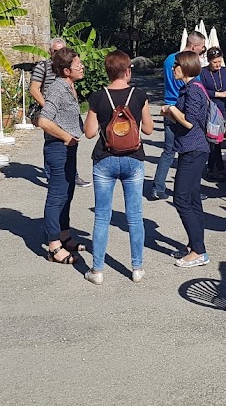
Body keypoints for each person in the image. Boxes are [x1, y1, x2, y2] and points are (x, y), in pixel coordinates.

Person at [81, 50, 154, 285]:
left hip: (105, 158)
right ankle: (137, 268)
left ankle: (97, 270)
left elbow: (90, 132)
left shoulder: (98, 97)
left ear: (108, 72)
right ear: (127, 71)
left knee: (102, 216)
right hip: (134, 158)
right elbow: (149, 130)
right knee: (134, 216)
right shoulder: (139, 94)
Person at [35, 47, 88, 265]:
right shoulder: (58, 88)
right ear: (66, 70)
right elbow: (43, 120)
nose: (82, 67)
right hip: (58, 148)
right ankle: (53, 245)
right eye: (78, 65)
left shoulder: (69, 87)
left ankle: (64, 235)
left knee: (67, 193)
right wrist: (66, 136)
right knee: (57, 195)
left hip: (69, 148)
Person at [165, 51, 211, 268]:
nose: (173, 69)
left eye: (176, 65)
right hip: (191, 148)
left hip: (194, 149)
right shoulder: (188, 88)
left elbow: (190, 122)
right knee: (193, 199)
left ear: (185, 67)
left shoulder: (193, 90)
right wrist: (172, 113)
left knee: (181, 198)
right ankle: (194, 245)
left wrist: (172, 108)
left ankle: (199, 251)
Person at [152, 31, 206, 200]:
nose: (202, 52)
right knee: (190, 149)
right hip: (180, 107)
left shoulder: (169, 59)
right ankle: (192, 190)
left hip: (169, 105)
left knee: (168, 151)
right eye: (202, 48)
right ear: (195, 46)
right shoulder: (189, 65)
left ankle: (158, 187)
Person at [31, 37, 91, 187]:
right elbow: (34, 89)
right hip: (50, 108)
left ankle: (72, 175)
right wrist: (49, 107)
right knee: (52, 141)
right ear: (50, 51)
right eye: (56, 51)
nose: (59, 53)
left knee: (71, 142)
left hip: (63, 108)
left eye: (61, 50)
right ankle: (53, 176)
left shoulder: (68, 69)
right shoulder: (43, 67)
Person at [198, 47, 226, 181]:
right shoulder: (203, 72)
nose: (217, 65)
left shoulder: (224, 71)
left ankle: (212, 167)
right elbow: (202, 90)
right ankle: (218, 168)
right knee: (213, 139)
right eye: (215, 62)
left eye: (219, 61)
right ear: (209, 61)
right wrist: (218, 94)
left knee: (218, 139)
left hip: (223, 108)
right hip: (210, 108)